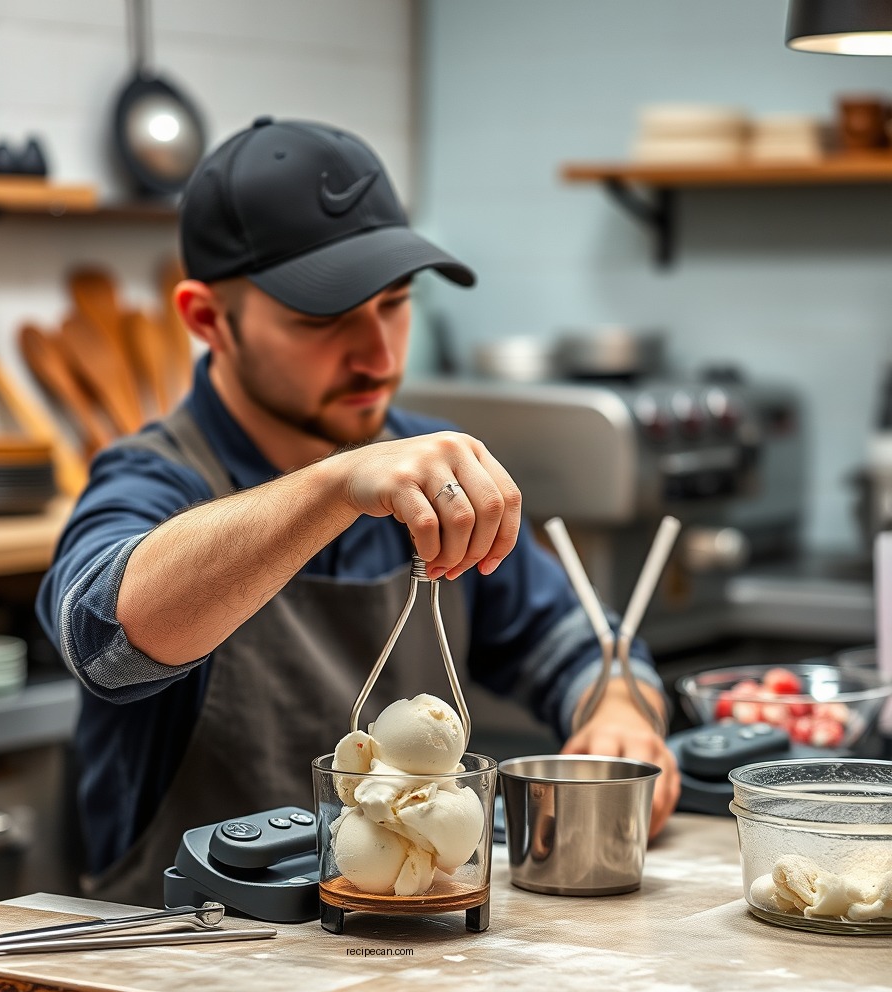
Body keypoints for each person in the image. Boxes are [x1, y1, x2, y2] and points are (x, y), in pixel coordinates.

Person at [36, 115, 680, 906]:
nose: (379, 357)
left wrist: (617, 703)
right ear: (208, 320)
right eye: (323, 320)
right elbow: (104, 640)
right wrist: (333, 487)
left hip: (399, 963)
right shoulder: (156, 476)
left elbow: (572, 640)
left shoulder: (422, 470)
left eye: (396, 304)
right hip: (188, 961)